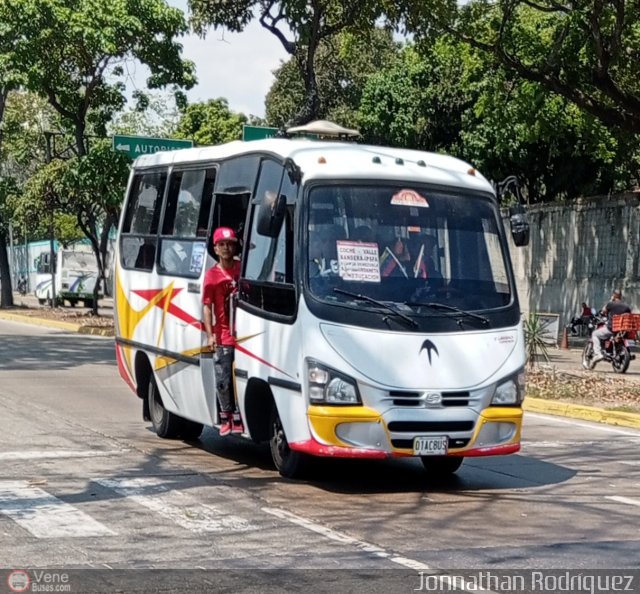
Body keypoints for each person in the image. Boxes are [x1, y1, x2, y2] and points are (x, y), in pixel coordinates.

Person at [202, 227, 244, 436]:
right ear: (216, 249)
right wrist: (210, 335)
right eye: (222, 245)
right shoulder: (212, 276)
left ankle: (241, 415)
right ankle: (226, 416)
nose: (227, 248)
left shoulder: (243, 269)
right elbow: (207, 307)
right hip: (224, 335)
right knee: (224, 376)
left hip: (245, 334)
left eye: (230, 244)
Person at [591, 289, 631, 364]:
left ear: (614, 295)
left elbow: (603, 311)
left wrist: (610, 300)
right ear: (621, 296)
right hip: (622, 330)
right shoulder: (627, 307)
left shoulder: (611, 304)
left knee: (595, 334)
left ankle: (598, 354)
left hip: (611, 328)